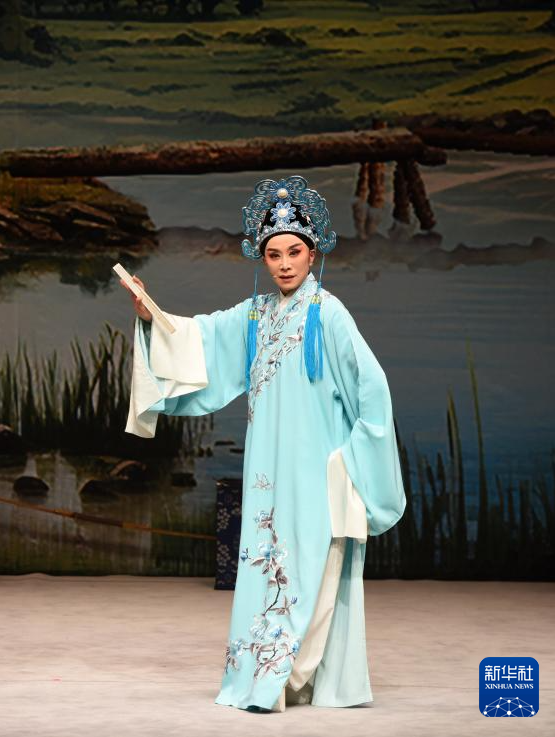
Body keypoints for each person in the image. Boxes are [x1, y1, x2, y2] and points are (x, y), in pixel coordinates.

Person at [124, 176, 405, 711]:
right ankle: (267, 676)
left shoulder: (329, 314)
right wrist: (151, 317)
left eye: (294, 252)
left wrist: (353, 462)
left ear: (312, 253)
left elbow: (373, 390)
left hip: (316, 469)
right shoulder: (257, 314)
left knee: (311, 567)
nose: (284, 264)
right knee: (268, 562)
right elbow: (200, 339)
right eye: (273, 254)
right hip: (267, 472)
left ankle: (285, 678)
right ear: (263, 257)